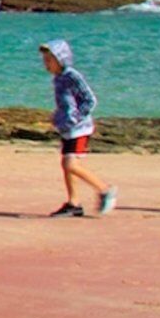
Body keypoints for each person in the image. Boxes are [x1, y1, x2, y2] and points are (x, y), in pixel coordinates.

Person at [41, 38, 111, 217]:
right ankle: (74, 203)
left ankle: (104, 190)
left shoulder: (72, 76)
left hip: (79, 129)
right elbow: (66, 103)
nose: (46, 64)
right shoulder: (58, 79)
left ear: (61, 59)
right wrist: (58, 117)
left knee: (70, 164)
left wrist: (74, 118)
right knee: (66, 165)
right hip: (67, 129)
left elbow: (90, 100)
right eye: (45, 60)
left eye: (50, 60)